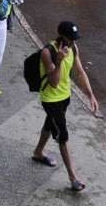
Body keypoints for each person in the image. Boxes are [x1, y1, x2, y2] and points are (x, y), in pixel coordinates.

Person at [32, 20, 100, 192]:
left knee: (50, 124)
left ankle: (38, 152)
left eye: (74, 38)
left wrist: (90, 95)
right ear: (61, 36)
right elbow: (54, 83)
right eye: (70, 38)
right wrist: (60, 61)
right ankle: (73, 178)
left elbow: (80, 72)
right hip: (51, 99)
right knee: (62, 135)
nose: (72, 42)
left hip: (65, 97)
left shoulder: (74, 48)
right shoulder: (48, 52)